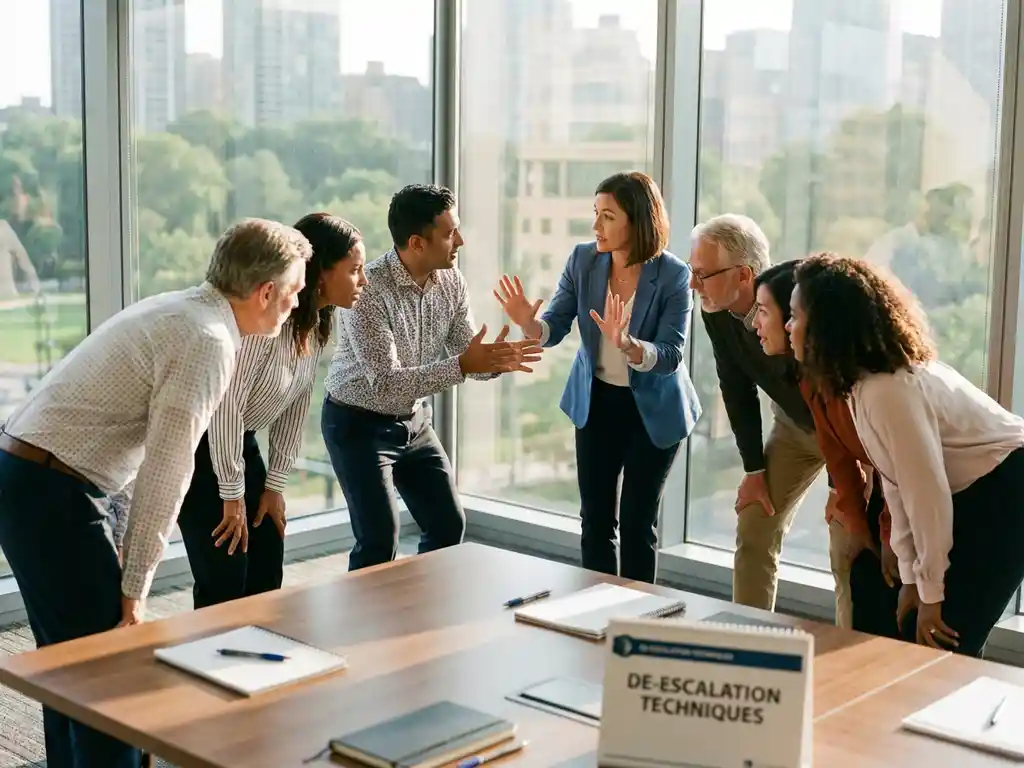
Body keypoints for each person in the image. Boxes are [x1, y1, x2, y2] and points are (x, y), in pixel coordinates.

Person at [0, 218, 311, 767]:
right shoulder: (209, 342)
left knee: (71, 667)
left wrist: (122, 545)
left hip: (33, 478)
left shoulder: (184, 310)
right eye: (293, 292)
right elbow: (169, 471)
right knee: (113, 673)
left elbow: (136, 462)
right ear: (266, 292)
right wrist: (136, 587)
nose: (295, 304)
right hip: (52, 491)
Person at [791, 253, 1024, 657]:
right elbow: (897, 486)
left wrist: (930, 596)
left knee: (948, 638)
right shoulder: (861, 387)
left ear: (826, 327)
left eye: (795, 315)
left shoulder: (887, 391)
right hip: (977, 487)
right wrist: (912, 580)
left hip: (1008, 486)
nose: (790, 326)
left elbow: (926, 497)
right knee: (916, 624)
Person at [322, 184, 542, 570]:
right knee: (378, 542)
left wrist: (493, 360)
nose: (461, 241)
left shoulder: (451, 281)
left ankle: (423, 616)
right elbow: (387, 382)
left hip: (414, 422)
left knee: (448, 525)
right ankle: (364, 627)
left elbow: (464, 351)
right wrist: (465, 365)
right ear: (416, 243)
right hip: (357, 424)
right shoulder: (368, 291)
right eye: (449, 233)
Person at [495, 171, 700, 583]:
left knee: (638, 524)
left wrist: (630, 346)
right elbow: (555, 324)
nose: (596, 226)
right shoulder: (583, 260)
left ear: (637, 220)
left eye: (607, 216)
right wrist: (530, 325)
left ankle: (640, 619)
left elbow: (672, 355)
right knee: (596, 522)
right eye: (596, 213)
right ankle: (596, 609)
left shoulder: (675, 276)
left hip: (654, 410)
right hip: (598, 401)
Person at [174, 213, 367, 608]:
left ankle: (257, 662)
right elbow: (226, 402)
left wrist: (274, 485)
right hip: (202, 447)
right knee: (226, 580)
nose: (363, 280)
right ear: (321, 273)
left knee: (267, 565)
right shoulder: (268, 321)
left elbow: (295, 408)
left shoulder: (314, 324)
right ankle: (210, 660)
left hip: (239, 444)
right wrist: (231, 495)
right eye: (354, 270)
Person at [752, 260, 899, 635]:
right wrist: (854, 512)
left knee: (881, 577)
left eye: (766, 312)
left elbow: (896, 471)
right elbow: (836, 451)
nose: (756, 323)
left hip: (938, 491)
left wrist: (885, 534)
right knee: (862, 566)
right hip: (891, 490)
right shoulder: (811, 378)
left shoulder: (867, 387)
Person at [689, 214, 825, 611]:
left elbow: (838, 398)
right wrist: (754, 470)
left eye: (703, 274)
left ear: (743, 274)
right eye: (692, 273)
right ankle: (748, 640)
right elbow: (735, 386)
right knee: (754, 523)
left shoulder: (798, 310)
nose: (694, 286)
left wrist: (843, 486)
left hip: (848, 430)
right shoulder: (715, 309)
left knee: (847, 542)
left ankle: (847, 659)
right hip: (794, 425)